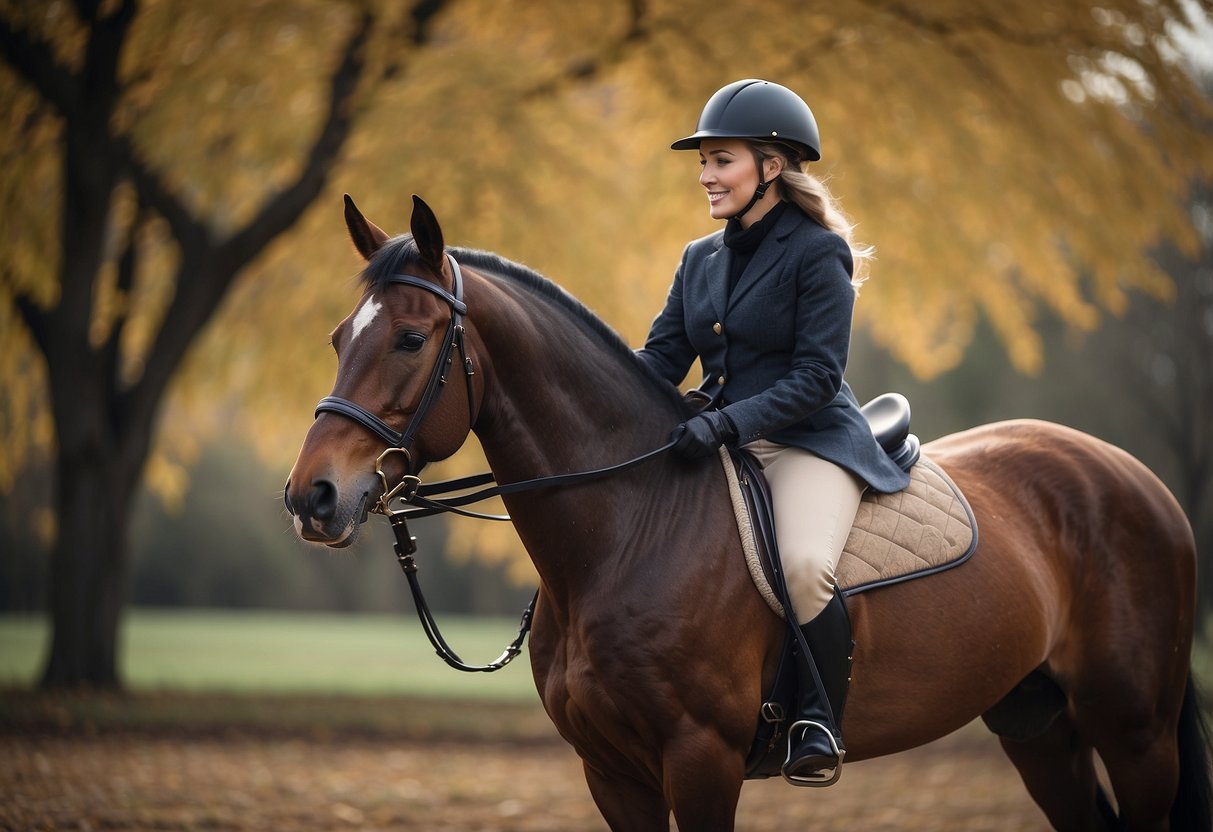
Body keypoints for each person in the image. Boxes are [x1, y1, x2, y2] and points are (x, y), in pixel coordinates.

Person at [635, 79, 911, 785]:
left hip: (807, 441)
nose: (704, 176)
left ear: (770, 166)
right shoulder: (699, 258)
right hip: (718, 437)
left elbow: (817, 376)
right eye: (702, 162)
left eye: (719, 160)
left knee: (800, 566)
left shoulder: (817, 252)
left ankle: (818, 716)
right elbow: (659, 361)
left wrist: (724, 423)